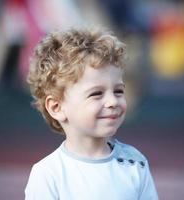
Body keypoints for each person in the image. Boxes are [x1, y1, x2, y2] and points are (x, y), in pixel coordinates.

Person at [25, 27, 159, 200]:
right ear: (56, 107)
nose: (112, 102)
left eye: (118, 91)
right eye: (96, 93)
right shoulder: (48, 174)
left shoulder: (135, 163)